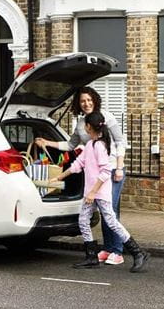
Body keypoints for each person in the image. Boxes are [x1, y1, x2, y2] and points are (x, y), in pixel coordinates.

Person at [35, 87, 127, 265]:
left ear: (95, 100)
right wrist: (47, 142)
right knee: (104, 210)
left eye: (89, 100)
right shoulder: (80, 124)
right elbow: (70, 145)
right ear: (79, 103)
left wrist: (120, 167)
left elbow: (120, 142)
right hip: (96, 174)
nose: (86, 104)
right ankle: (108, 249)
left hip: (112, 170)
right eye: (83, 101)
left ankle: (118, 250)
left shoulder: (107, 117)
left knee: (111, 211)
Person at [50, 112, 148, 272]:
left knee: (111, 222)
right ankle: (91, 257)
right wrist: (59, 177)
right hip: (91, 193)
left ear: (89, 127)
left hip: (99, 193)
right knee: (83, 221)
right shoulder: (90, 145)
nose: (83, 127)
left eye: (84, 125)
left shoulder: (100, 146)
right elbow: (78, 164)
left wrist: (92, 193)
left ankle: (138, 252)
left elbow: (105, 171)